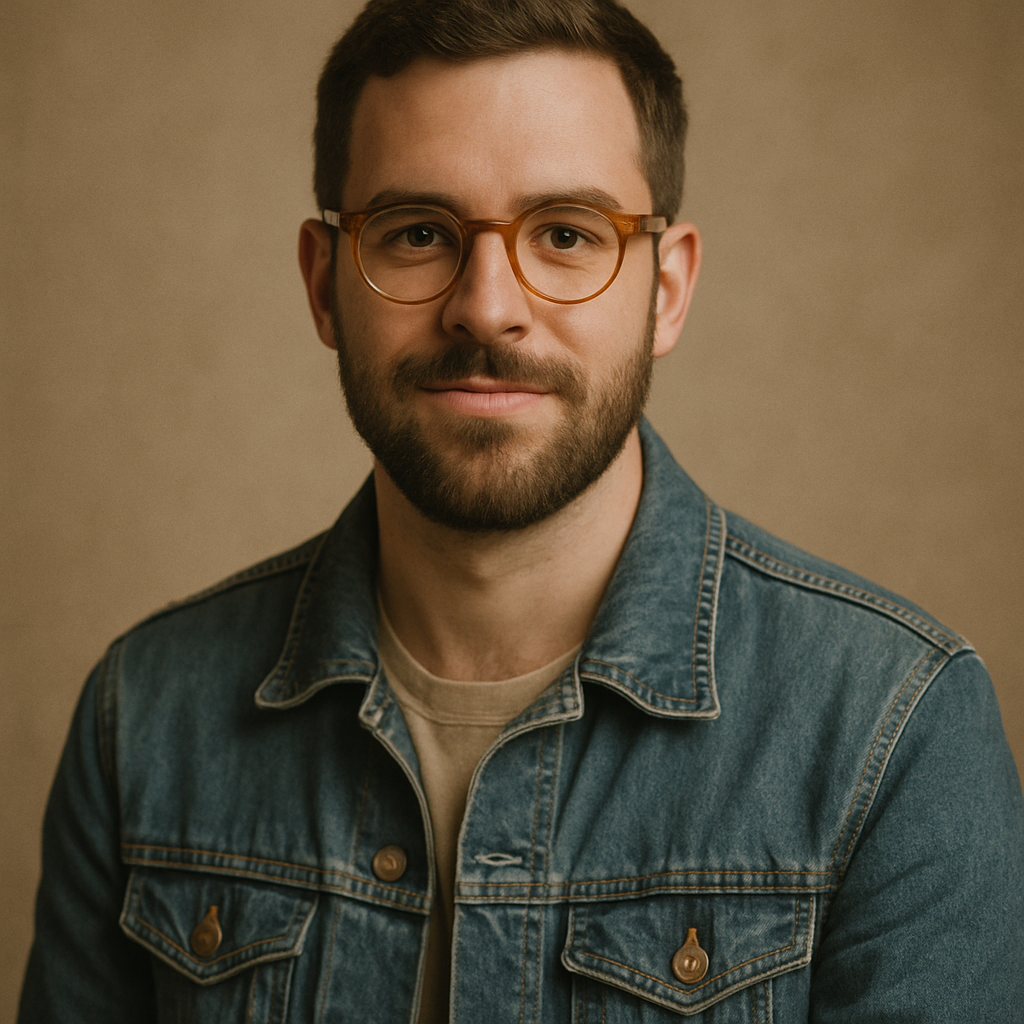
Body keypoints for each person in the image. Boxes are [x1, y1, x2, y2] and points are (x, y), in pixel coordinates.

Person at [19, 0, 1024, 1020]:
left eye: (564, 233)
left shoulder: (892, 732)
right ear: (325, 287)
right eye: (417, 233)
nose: (486, 305)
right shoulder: (141, 716)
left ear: (665, 290)